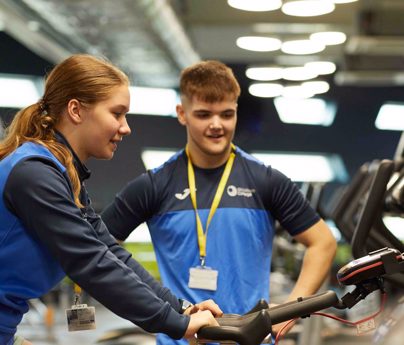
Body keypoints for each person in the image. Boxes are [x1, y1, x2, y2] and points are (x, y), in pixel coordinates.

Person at [101, 60, 337, 345]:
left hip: (252, 339)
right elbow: (98, 247)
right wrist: (148, 309)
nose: (216, 125)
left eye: (226, 114)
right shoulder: (154, 185)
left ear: (236, 112)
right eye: (203, 114)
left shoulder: (265, 180)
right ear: (182, 114)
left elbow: (323, 242)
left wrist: (290, 310)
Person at [0, 55, 222, 345]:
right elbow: (90, 262)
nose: (126, 127)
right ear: (76, 110)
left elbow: (109, 251)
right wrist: (178, 325)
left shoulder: (63, 174)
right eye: (117, 114)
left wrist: (181, 308)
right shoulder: (34, 174)